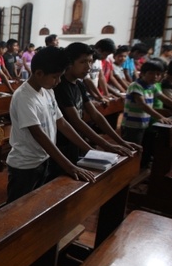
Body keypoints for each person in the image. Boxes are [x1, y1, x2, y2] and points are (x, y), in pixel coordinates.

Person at [5, 46, 95, 202]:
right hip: (25, 165)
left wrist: (90, 150)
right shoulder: (23, 97)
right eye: (55, 77)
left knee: (35, 205)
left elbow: (62, 124)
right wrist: (69, 166)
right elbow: (39, 135)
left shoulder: (48, 91)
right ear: (39, 73)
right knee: (16, 210)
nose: (58, 81)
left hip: (44, 159)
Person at [48, 42, 140, 180]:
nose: (88, 67)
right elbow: (75, 121)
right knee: (59, 182)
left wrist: (120, 141)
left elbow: (96, 115)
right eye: (83, 62)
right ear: (69, 62)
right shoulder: (61, 86)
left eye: (90, 62)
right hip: (60, 144)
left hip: (74, 142)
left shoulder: (79, 84)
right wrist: (105, 146)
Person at [121, 60, 172, 168]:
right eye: (151, 73)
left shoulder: (152, 86)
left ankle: (135, 170)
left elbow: (164, 99)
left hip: (143, 124)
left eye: (158, 74)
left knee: (141, 148)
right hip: (132, 125)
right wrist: (160, 117)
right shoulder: (135, 86)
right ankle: (127, 173)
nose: (155, 76)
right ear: (142, 73)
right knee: (131, 150)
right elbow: (142, 105)